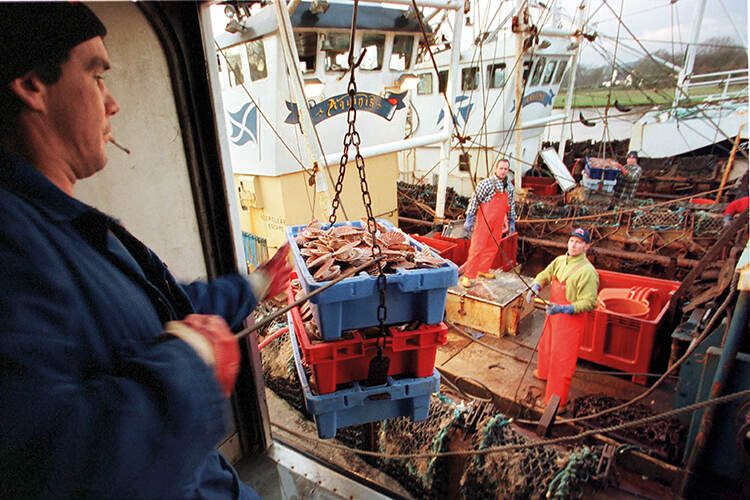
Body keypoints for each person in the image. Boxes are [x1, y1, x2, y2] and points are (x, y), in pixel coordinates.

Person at [0, 4, 291, 498]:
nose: (111, 103)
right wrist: (194, 363)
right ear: (32, 86)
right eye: (95, 74)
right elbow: (51, 466)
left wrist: (254, 285)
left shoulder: (63, 224)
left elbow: (165, 313)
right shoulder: (14, 245)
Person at [525, 228, 599, 413]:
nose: (573, 245)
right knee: (546, 345)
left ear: (587, 247)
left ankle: (556, 402)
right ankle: (543, 373)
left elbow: (589, 302)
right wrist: (537, 285)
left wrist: (565, 309)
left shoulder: (588, 272)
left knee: (561, 359)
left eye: (579, 242)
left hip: (570, 321)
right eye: (571, 241)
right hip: (553, 315)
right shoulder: (560, 260)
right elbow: (546, 274)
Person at [460, 157, 516, 281]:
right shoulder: (486, 184)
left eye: (505, 169)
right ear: (496, 168)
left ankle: (483, 270)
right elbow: (475, 200)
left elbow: (511, 205)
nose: (503, 171)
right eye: (501, 168)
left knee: (492, 247)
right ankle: (468, 276)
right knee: (477, 248)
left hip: (498, 222)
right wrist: (469, 217)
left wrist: (512, 220)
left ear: (508, 170)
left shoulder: (509, 188)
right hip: (484, 222)